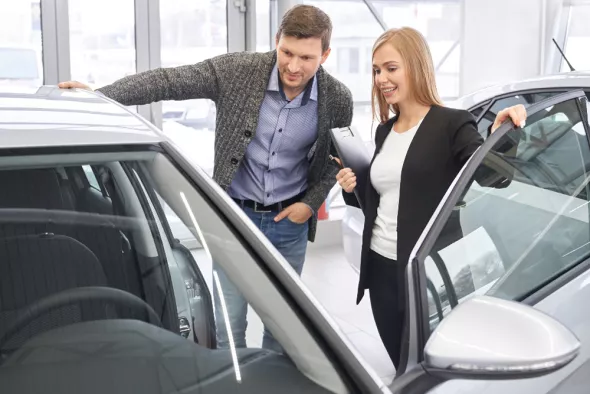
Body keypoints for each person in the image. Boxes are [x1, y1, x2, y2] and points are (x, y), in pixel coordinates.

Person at [59, 4, 353, 352]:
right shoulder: (238, 71)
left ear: (325, 54)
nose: (293, 66)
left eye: (306, 58)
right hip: (234, 218)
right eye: (287, 52)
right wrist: (101, 95)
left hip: (289, 223)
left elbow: (337, 159)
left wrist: (310, 203)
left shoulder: (337, 98)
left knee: (285, 325)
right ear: (276, 40)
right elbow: (168, 81)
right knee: (228, 322)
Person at [334, 27, 527, 370]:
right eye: (377, 70)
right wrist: (352, 189)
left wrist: (503, 135)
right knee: (401, 365)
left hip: (425, 271)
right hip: (380, 267)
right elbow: (380, 197)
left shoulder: (451, 123)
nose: (382, 79)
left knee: (434, 369)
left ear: (416, 66)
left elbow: (496, 176)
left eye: (391, 68)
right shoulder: (384, 130)